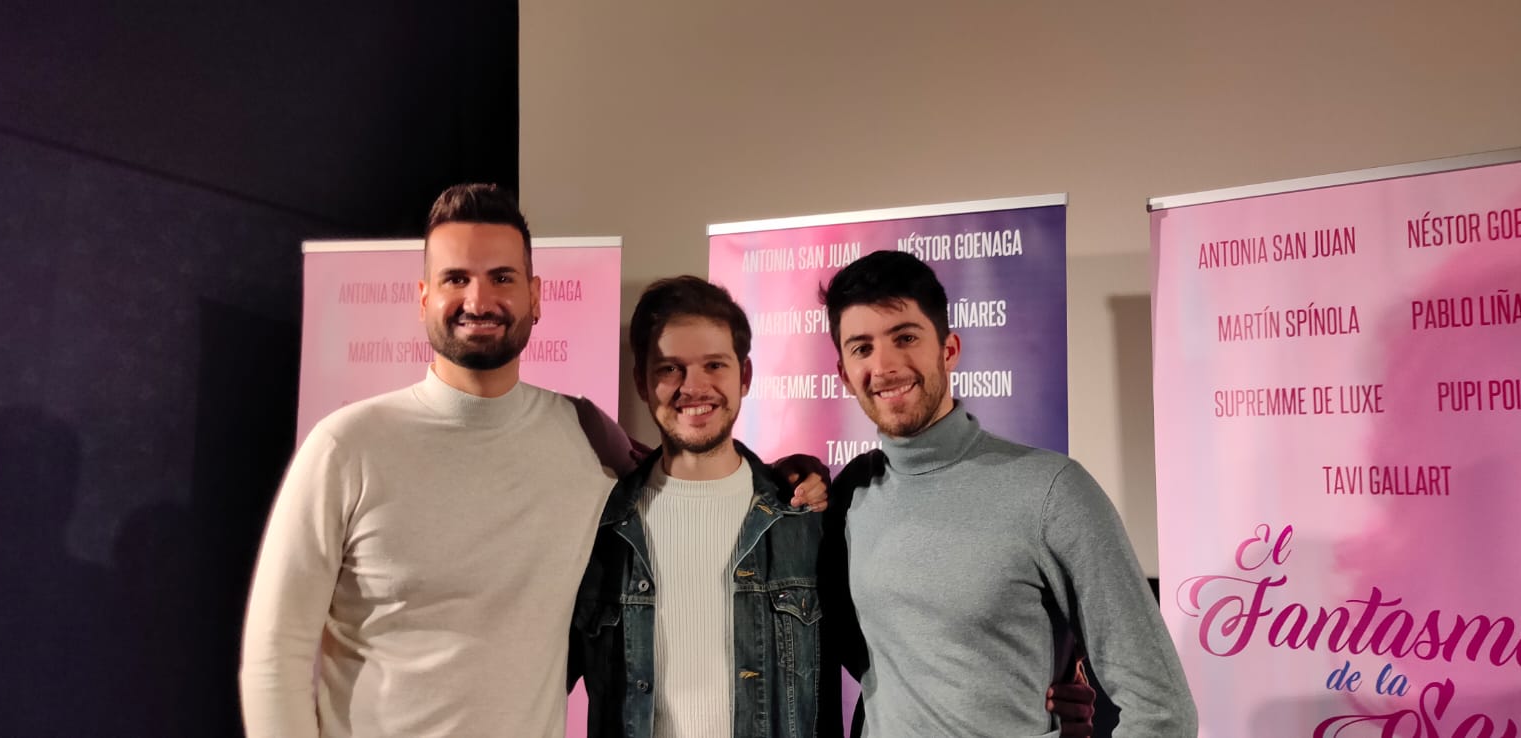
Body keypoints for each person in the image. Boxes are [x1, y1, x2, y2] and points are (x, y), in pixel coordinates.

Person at [238, 184, 828, 738]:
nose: (479, 300)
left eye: (501, 277)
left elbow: (692, 463)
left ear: (535, 296)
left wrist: (792, 474)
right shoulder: (346, 447)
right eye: (455, 278)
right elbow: (274, 656)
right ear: (423, 298)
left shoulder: (584, 433)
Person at [572, 276, 1098, 738]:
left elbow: (903, 659)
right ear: (642, 381)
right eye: (670, 368)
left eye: (714, 364)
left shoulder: (810, 517)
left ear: (745, 375)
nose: (694, 387)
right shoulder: (595, 528)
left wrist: (1045, 680)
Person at [818, 250, 1196, 736]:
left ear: (949, 350)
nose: (884, 365)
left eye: (905, 338)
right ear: (844, 373)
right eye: (862, 348)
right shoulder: (852, 493)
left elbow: (1163, 709)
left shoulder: (1052, 490)